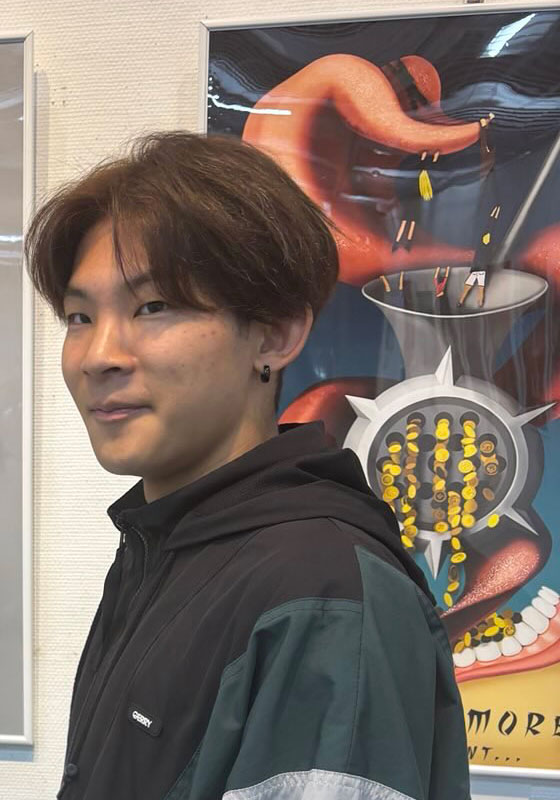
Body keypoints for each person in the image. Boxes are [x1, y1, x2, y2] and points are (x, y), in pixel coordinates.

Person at [27, 132, 470, 800]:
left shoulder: (321, 588)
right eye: (78, 316)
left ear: (275, 334)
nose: (98, 356)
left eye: (153, 307)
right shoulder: (164, 545)